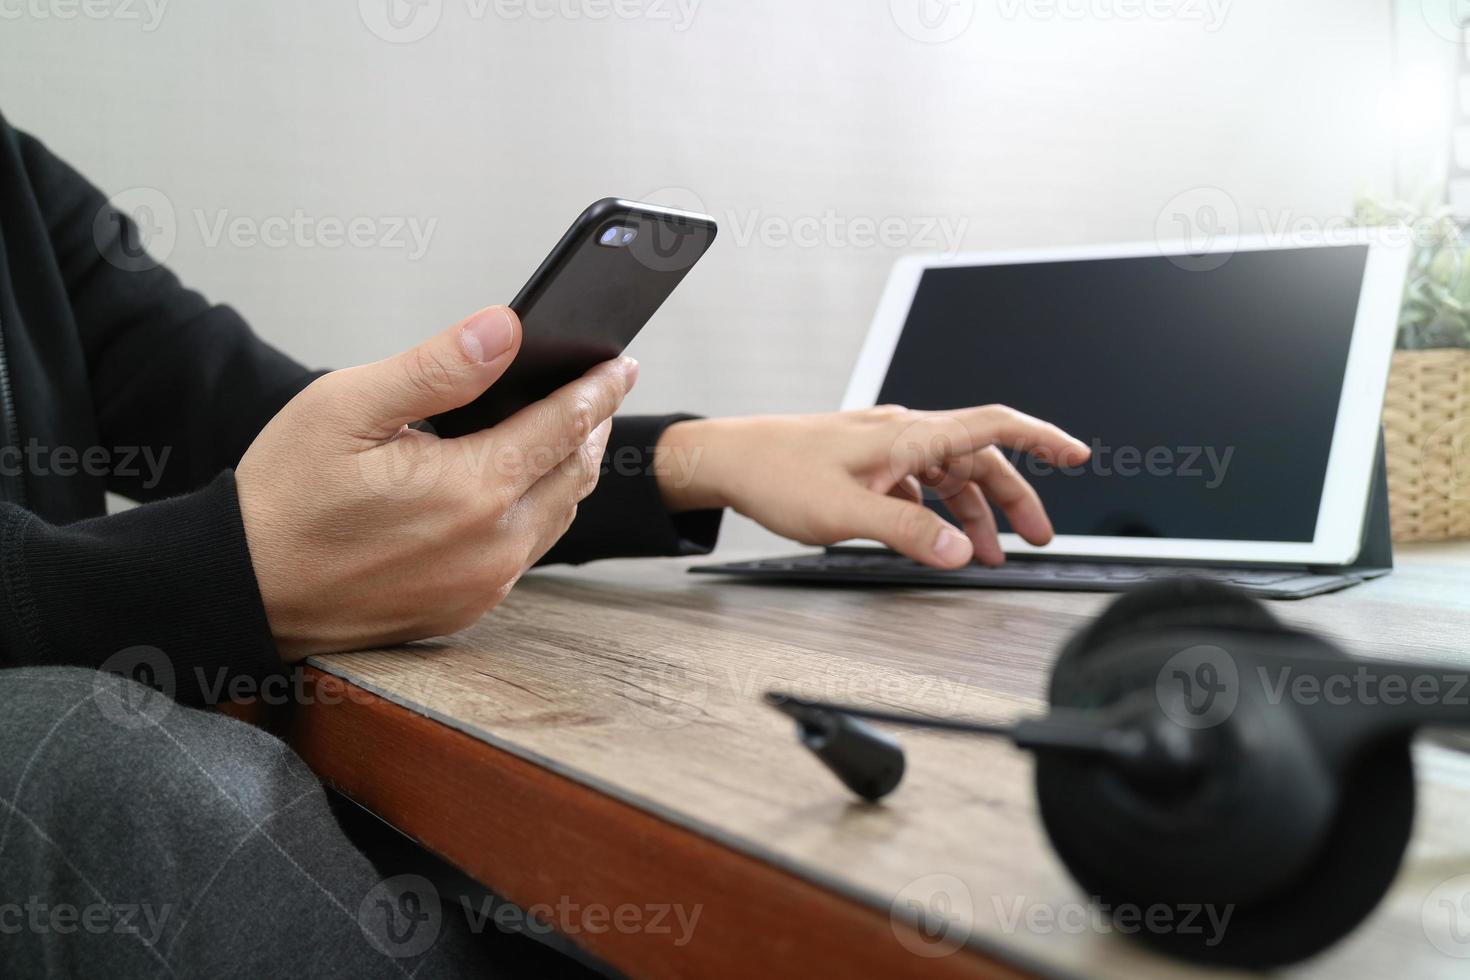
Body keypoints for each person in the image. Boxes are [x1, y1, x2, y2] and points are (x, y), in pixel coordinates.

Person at [0, 112, 1088, 977]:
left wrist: (706, 454)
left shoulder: (18, 182)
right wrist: (222, 574)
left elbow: (247, 412)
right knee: (92, 767)